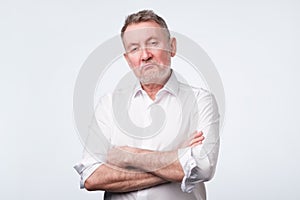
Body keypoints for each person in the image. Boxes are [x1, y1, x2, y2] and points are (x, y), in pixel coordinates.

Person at [74, 10, 220, 200]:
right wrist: (176, 158)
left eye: (153, 43)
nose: (145, 55)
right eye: (134, 48)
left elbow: (203, 167)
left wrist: (128, 157)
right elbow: (91, 177)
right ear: (128, 59)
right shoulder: (108, 105)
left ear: (172, 47)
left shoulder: (200, 101)